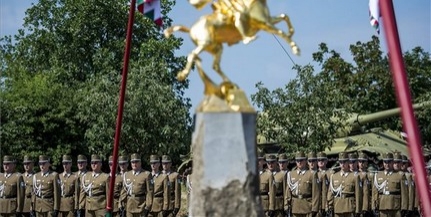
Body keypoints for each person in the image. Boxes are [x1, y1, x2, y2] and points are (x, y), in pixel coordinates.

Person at [371, 152, 408, 217]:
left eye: (389, 162)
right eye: (385, 162)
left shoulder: (400, 175)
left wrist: (404, 207)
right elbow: (375, 192)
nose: (387, 164)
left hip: (395, 207)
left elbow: (404, 193)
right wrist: (374, 206)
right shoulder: (378, 175)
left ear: (393, 162)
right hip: (382, 206)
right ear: (383, 162)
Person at [285, 151, 320, 217]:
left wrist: (314, 208)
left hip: (307, 206)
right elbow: (288, 191)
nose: (299, 162)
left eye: (301, 160)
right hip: (295, 207)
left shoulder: (311, 174)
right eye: (297, 160)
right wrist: (286, 205)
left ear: (305, 161)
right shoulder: (291, 174)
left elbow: (316, 193)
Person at [327, 152, 362, 217]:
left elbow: (358, 195)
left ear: (348, 162)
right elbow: (330, 192)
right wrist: (329, 206)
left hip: (349, 207)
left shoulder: (354, 176)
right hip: (337, 207)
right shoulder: (334, 176)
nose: (342, 164)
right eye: (341, 162)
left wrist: (358, 210)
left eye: (344, 162)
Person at [357, 152, 373, 217]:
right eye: (360, 161)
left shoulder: (370, 175)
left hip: (368, 204)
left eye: (363, 161)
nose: (361, 163)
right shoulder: (355, 175)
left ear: (366, 163)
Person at [317, 151, 329, 217]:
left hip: (328, 200)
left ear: (326, 161)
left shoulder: (331, 173)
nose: (320, 162)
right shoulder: (314, 174)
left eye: (322, 160)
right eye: (319, 160)